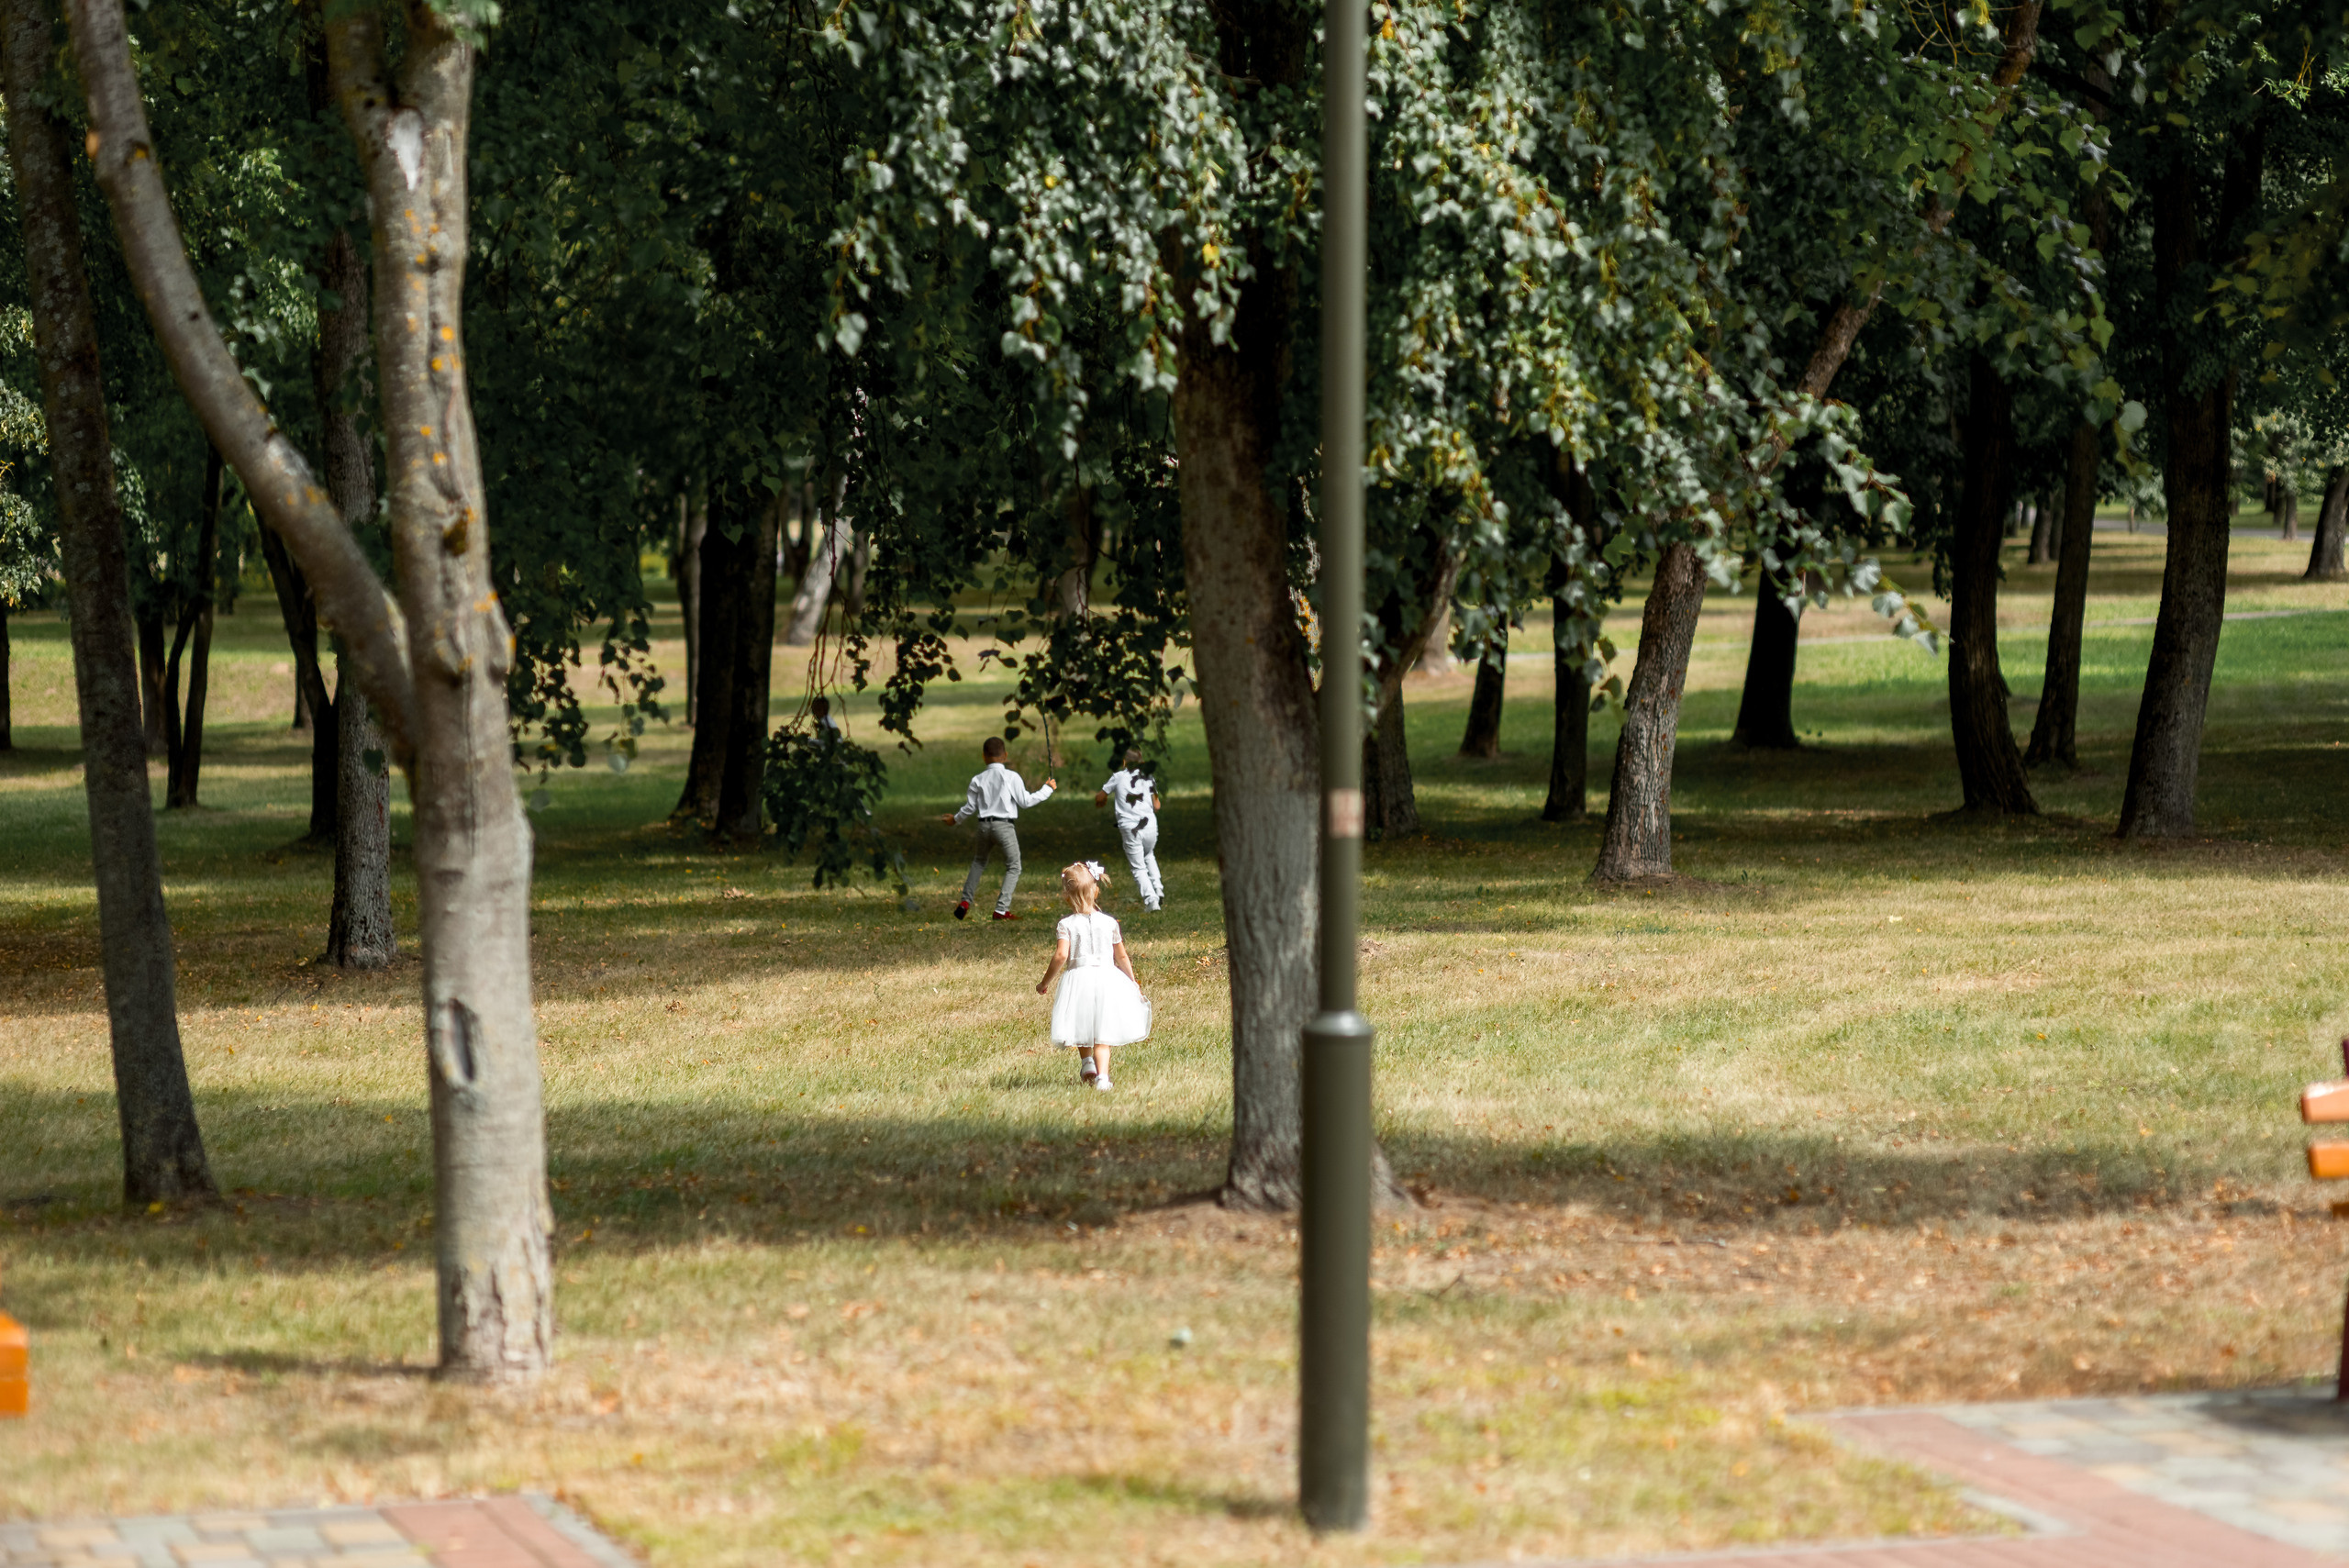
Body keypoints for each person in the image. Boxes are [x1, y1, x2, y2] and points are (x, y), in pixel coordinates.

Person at [1035, 861, 1150, 1090]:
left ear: (1066, 896)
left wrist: (1044, 982)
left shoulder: (1066, 924)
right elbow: (1121, 956)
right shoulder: (1109, 923)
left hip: (1078, 980)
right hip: (1107, 979)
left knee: (1082, 1021)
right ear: (1096, 891)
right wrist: (1132, 980)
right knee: (1102, 1032)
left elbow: (1061, 956)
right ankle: (1103, 1078)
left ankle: (1087, 1062)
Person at [943, 737, 1055, 920]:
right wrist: (1047, 789)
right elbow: (1025, 802)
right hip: (1004, 826)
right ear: (1005, 755)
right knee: (1014, 866)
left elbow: (970, 807)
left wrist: (955, 819)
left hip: (983, 826)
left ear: (984, 756)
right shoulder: (1011, 777)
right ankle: (1001, 909)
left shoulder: (977, 779)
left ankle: (965, 902)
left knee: (979, 862)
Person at [1094, 748, 1163, 913]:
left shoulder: (1118, 777)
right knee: (1149, 854)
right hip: (1150, 825)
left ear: (1124, 762)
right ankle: (1158, 888)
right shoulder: (1149, 778)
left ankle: (1152, 900)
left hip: (1130, 827)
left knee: (1138, 867)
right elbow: (1157, 805)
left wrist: (1101, 801)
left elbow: (1100, 796)